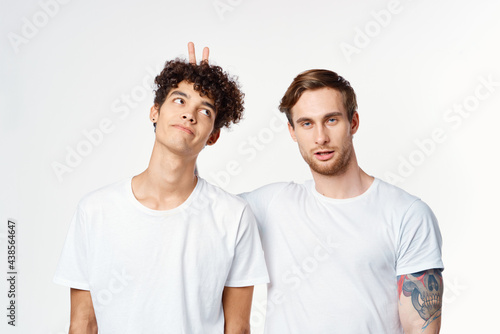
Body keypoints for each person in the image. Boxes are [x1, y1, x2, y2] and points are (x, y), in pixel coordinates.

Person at [53, 43, 269, 334]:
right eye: (179, 101)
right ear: (154, 112)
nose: (189, 115)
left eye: (204, 111)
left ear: (213, 136)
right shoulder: (95, 211)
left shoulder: (234, 216)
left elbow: (238, 329)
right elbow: (82, 324)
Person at [240, 69, 444, 333]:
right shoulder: (271, 205)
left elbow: (420, 327)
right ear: (292, 131)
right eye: (306, 123)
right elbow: (193, 203)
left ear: (354, 122)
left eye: (332, 120)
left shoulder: (407, 214)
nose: (320, 137)